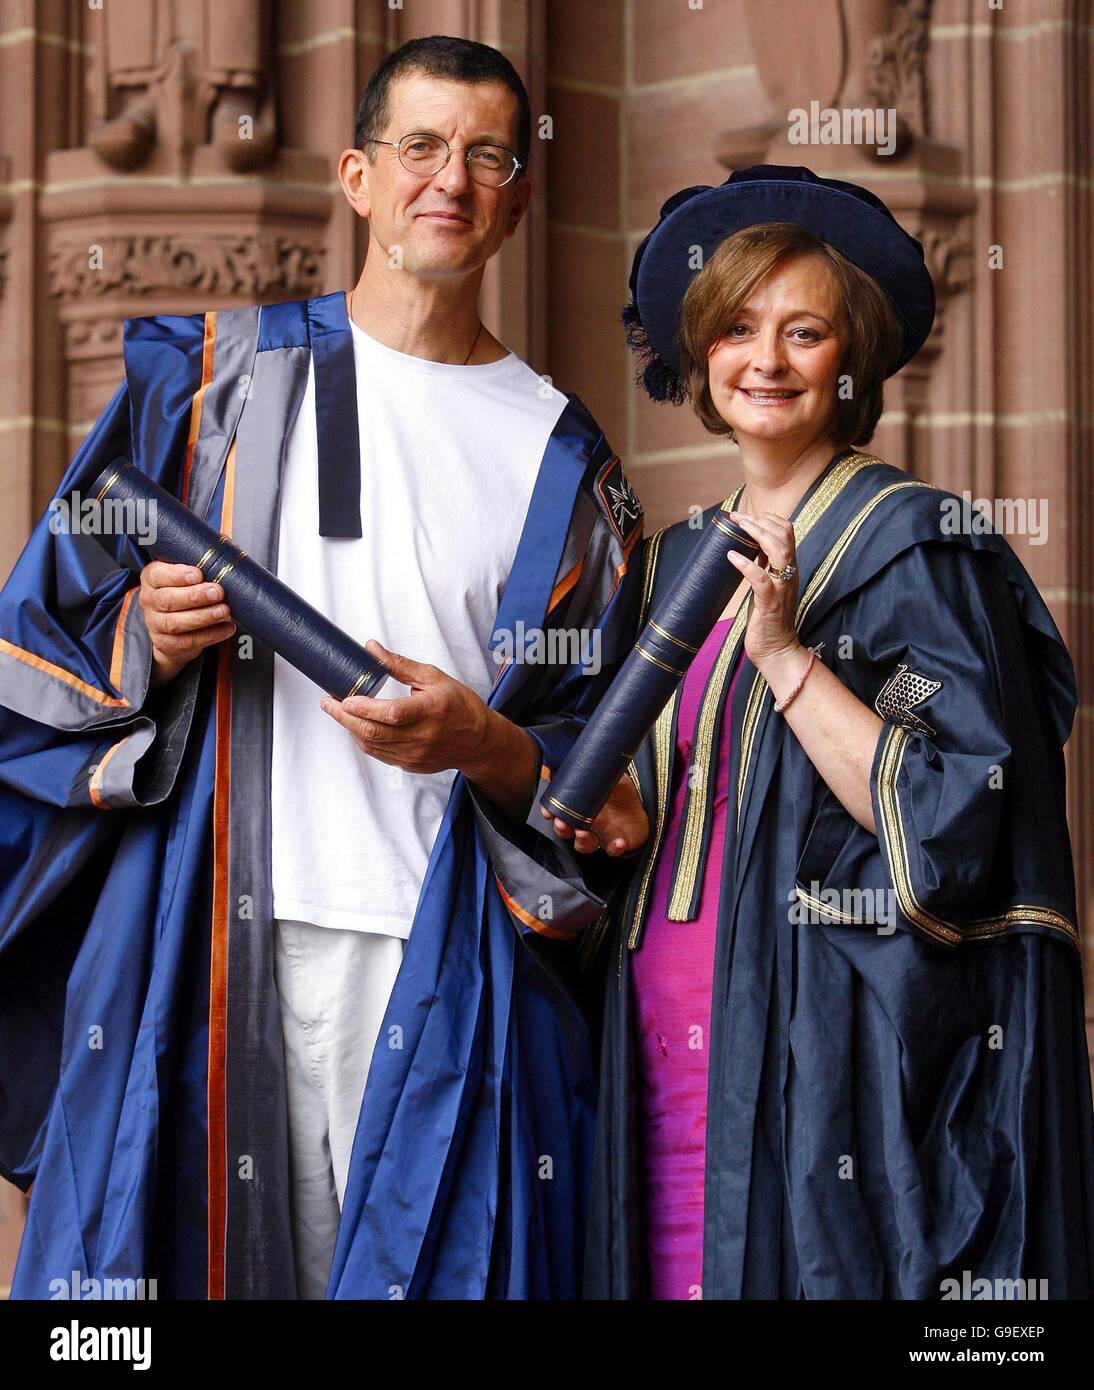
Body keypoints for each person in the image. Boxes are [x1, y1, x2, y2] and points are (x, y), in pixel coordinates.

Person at [0, 35, 648, 1301]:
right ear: (357, 174)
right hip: (209, 931)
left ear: (518, 196)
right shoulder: (204, 386)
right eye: (417, 146)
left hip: (452, 956)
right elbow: (29, 645)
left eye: (485, 155)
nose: (447, 179)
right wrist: (144, 633)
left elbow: (611, 790)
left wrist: (483, 743)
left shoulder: (567, 467)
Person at [551, 165, 1094, 1299]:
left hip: (818, 1064)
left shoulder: (912, 550)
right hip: (649, 1048)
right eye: (738, 327)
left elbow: (959, 814)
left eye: (804, 332)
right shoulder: (660, 567)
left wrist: (787, 656)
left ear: (847, 367)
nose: (765, 358)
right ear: (700, 354)